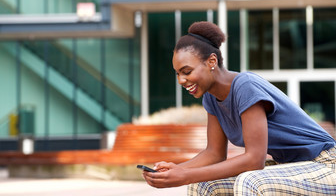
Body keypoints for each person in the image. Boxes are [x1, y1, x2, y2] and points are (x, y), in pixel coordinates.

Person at [143, 21, 336, 195]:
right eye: (177, 74)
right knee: (203, 185)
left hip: (325, 165)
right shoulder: (211, 98)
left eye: (187, 72)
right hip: (291, 167)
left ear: (211, 61)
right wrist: (177, 169)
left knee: (250, 181)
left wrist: (185, 175)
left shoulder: (245, 86)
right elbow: (214, 153)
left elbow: (254, 160)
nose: (181, 80)